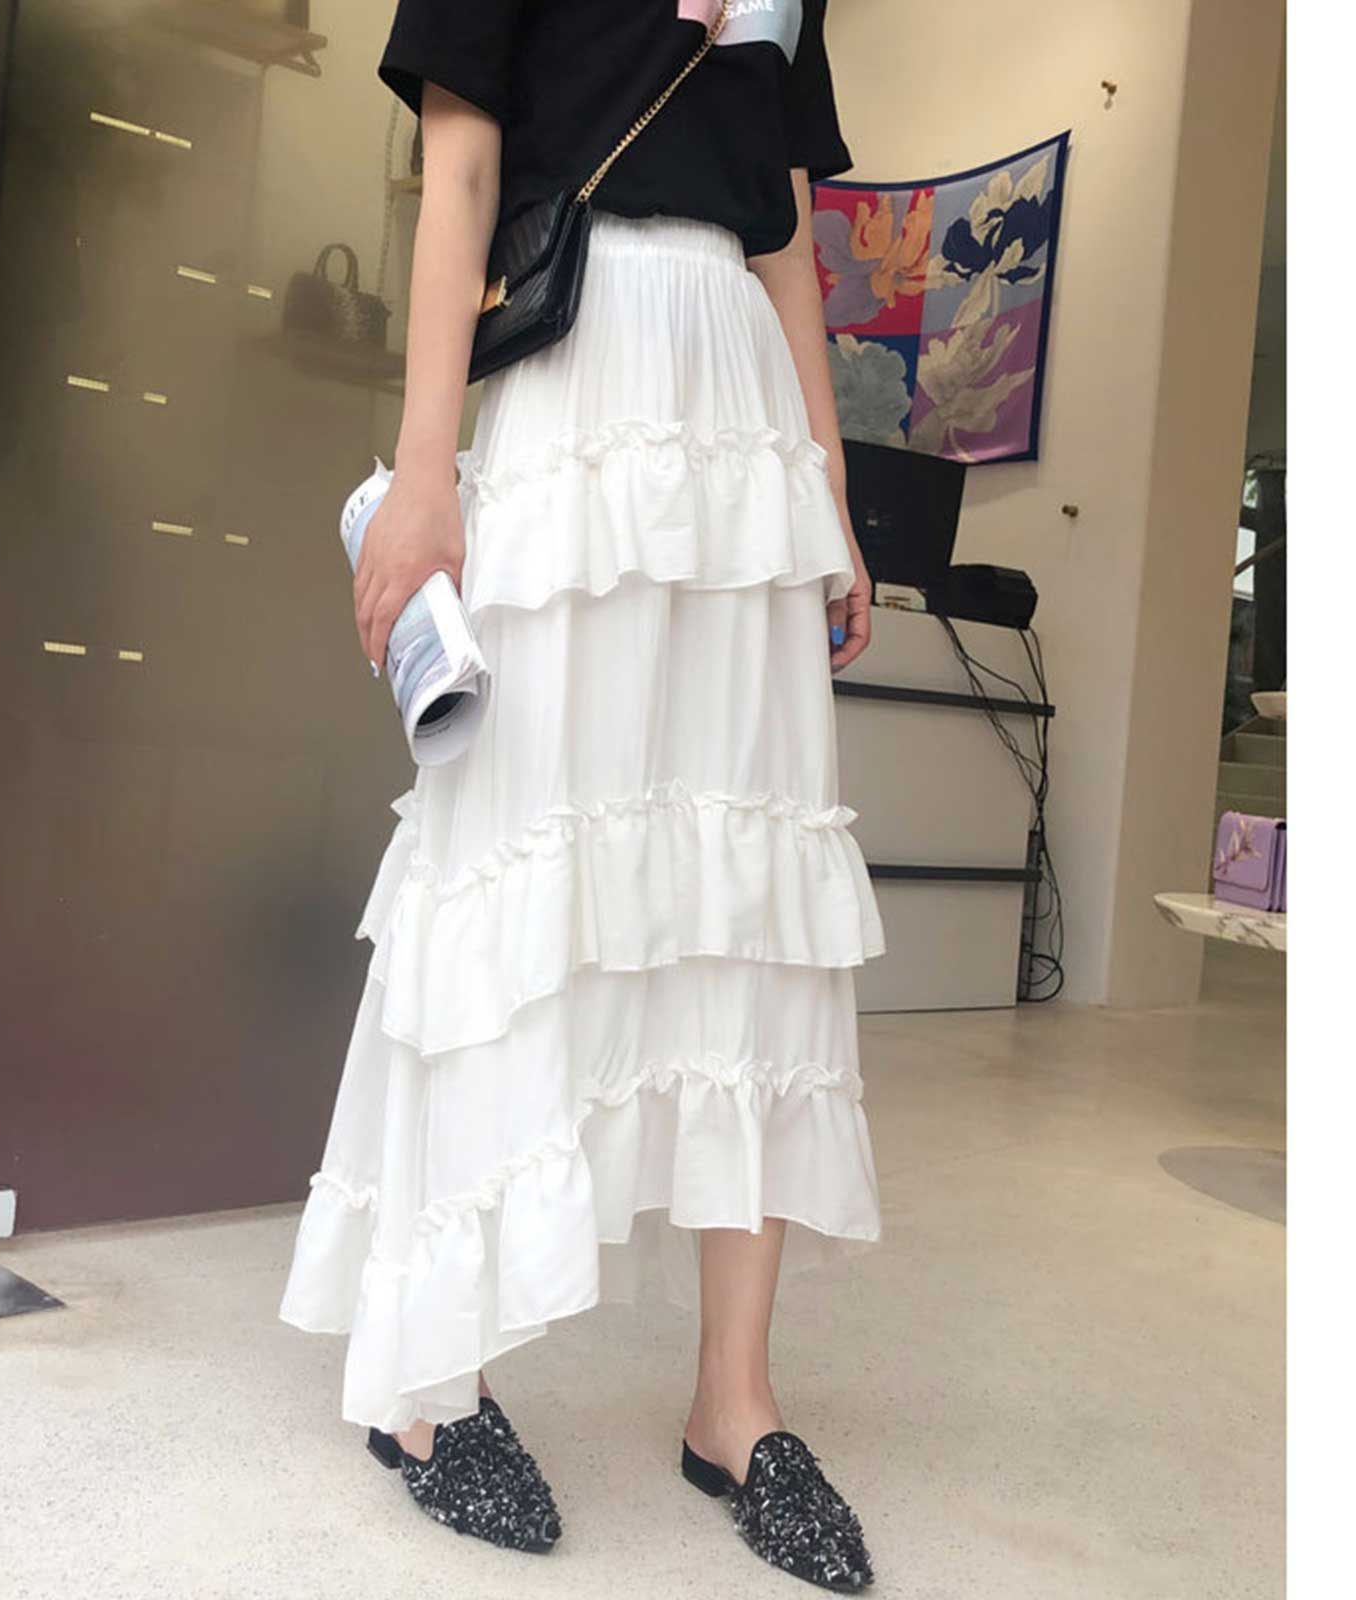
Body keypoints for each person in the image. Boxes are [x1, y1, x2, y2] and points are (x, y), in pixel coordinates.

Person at [280, 1, 885, 1589]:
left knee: (746, 892)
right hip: (575, 371)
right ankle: (433, 1382)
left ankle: (735, 1404)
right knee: (516, 856)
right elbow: (463, 171)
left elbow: (785, 230)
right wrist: (426, 468)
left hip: (741, 421)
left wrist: (829, 484)